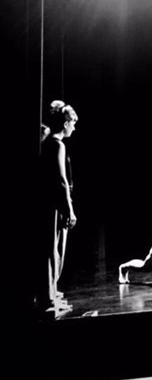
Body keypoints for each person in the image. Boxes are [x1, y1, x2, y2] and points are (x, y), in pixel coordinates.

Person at [36, 100, 79, 319]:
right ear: (64, 123)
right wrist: (69, 209)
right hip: (55, 204)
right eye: (72, 121)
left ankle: (50, 292)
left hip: (50, 202)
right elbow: (61, 180)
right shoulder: (57, 144)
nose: (74, 126)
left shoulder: (50, 144)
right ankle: (47, 297)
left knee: (51, 250)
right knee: (53, 251)